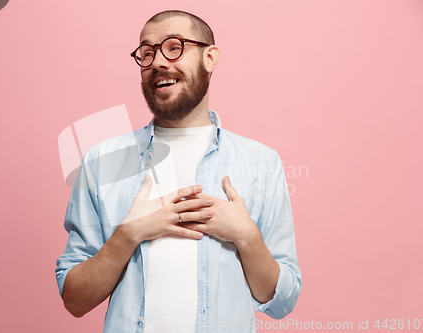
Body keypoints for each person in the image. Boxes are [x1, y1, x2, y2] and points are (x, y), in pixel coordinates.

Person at [56, 10, 301, 333]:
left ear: (209, 57)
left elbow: (283, 302)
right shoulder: (104, 160)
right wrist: (128, 234)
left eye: (174, 47)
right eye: (147, 53)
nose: (158, 62)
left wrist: (246, 236)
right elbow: (75, 299)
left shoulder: (262, 162)